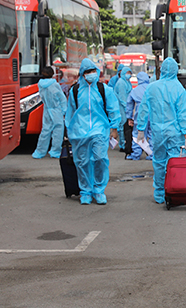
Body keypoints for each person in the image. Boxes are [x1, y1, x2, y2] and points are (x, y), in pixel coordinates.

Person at [136, 57, 186, 203]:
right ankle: (173, 190)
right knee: (173, 162)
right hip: (175, 132)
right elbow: (183, 115)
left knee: (159, 162)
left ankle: (160, 192)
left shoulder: (152, 87)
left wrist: (141, 130)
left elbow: (142, 110)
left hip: (157, 132)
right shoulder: (179, 89)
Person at [65, 58, 120, 205]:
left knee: (100, 158)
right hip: (79, 131)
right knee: (82, 162)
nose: (91, 74)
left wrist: (114, 128)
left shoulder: (104, 89)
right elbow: (70, 112)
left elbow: (113, 109)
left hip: (99, 130)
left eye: (93, 71)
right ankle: (85, 191)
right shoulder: (75, 91)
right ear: (82, 74)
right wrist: (69, 131)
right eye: (88, 72)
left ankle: (99, 190)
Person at [32, 66, 67, 159]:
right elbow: (62, 98)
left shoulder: (40, 84)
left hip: (47, 109)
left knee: (45, 130)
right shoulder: (55, 85)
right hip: (56, 110)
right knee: (58, 131)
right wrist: (64, 110)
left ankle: (39, 151)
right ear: (52, 74)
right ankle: (55, 151)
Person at [125, 72, 151, 161]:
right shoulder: (152, 88)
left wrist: (129, 117)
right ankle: (152, 154)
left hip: (140, 113)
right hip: (152, 113)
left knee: (137, 134)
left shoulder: (135, 90)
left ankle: (136, 154)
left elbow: (129, 105)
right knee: (152, 134)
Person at [114, 66, 133, 152]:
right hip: (122, 107)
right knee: (122, 125)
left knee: (125, 125)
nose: (128, 75)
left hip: (125, 106)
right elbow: (122, 98)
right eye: (127, 73)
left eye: (130, 73)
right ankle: (122, 144)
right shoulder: (121, 83)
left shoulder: (127, 82)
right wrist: (127, 107)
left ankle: (125, 143)